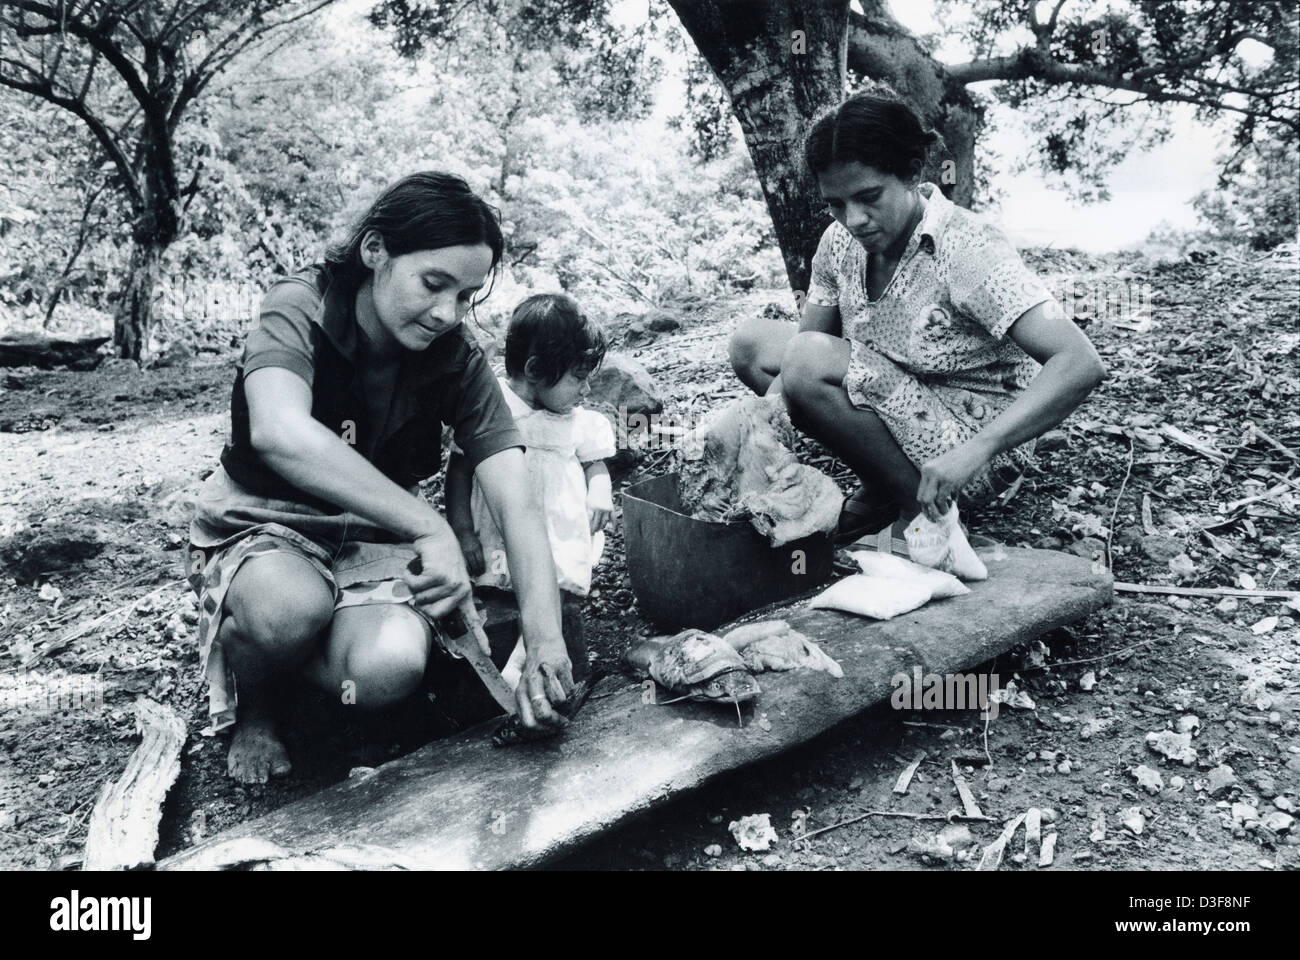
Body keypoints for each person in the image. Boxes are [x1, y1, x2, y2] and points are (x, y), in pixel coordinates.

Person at [187, 172, 575, 784]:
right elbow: (278, 431)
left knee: (386, 672)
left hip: (370, 542)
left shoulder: (456, 357)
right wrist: (431, 527)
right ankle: (257, 701)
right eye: (433, 283)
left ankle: (304, 663)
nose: (448, 312)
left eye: (466, 296)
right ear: (375, 252)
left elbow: (517, 501)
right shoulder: (300, 305)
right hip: (265, 524)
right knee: (287, 610)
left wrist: (546, 642)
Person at [729, 90, 1107, 543]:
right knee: (751, 344)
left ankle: (925, 514)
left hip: (968, 450)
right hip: (894, 401)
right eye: (836, 203)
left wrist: (976, 450)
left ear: (910, 173)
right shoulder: (837, 243)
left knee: (810, 361)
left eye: (869, 197)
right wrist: (756, 440)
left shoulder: (968, 250)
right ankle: (884, 486)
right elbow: (795, 363)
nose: (855, 219)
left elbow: (1080, 362)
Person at [445, 293, 615, 683]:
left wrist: (599, 490)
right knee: (499, 593)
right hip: (498, 532)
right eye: (578, 377)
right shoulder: (492, 405)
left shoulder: (578, 421)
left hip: (558, 530)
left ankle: (538, 664)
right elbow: (459, 470)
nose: (586, 390)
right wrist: (463, 529)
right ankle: (498, 666)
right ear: (535, 369)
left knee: (559, 593)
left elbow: (595, 463)